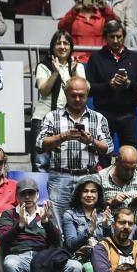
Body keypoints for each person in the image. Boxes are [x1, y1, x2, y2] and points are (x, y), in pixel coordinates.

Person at [36, 77, 113, 226]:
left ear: (87, 94)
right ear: (65, 93)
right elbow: (40, 145)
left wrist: (91, 141)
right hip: (60, 176)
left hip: (88, 177)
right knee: (57, 222)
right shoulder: (52, 117)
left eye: (81, 95)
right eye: (73, 95)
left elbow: (108, 148)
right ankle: (60, 249)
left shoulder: (98, 118)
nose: (77, 99)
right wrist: (63, 136)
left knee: (89, 221)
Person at [0, 179, 83, 272]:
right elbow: (4, 241)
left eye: (31, 193)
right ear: (17, 196)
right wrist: (20, 225)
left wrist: (46, 222)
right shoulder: (9, 214)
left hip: (44, 258)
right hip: (20, 256)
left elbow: (57, 241)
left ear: (37, 195)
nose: (27, 197)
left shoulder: (46, 213)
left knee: (76, 267)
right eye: (23, 194)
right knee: (10, 263)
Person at [85, 21, 137, 164]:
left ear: (124, 36)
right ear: (105, 38)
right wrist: (109, 85)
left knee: (130, 155)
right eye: (112, 37)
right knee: (102, 155)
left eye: (119, 36)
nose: (116, 40)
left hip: (128, 114)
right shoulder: (96, 58)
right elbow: (89, 89)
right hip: (103, 114)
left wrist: (129, 84)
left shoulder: (135, 58)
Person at [32, 32, 85, 173]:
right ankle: (41, 195)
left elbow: (85, 91)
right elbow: (43, 91)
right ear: (52, 47)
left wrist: (73, 74)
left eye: (66, 43)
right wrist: (55, 73)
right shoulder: (43, 66)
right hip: (43, 117)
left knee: (65, 162)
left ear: (71, 47)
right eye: (58, 43)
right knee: (40, 163)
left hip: (67, 120)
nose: (62, 47)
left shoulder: (77, 66)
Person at [57, 0, 120, 65]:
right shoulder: (72, 16)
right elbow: (61, 27)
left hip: (101, 60)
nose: (89, 1)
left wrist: (105, 8)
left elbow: (116, 26)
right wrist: (75, 9)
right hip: (77, 61)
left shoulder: (103, 16)